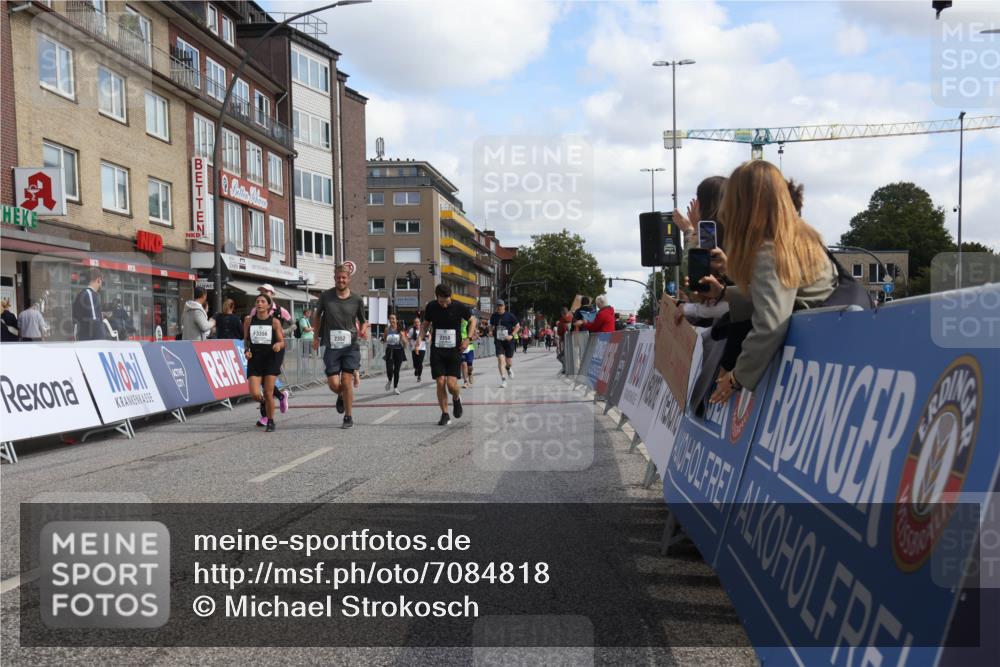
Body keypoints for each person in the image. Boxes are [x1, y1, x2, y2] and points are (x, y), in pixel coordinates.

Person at [695, 160, 837, 401]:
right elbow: (780, 296)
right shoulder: (797, 236)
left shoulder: (769, 251)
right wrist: (724, 293)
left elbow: (771, 322)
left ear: (743, 205)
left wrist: (735, 378)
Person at [312, 264, 368, 428]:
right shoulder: (326, 296)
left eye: (344, 277)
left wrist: (363, 330)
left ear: (348, 279)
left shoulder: (357, 299)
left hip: (350, 345)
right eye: (338, 277)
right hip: (332, 345)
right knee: (334, 384)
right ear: (334, 278)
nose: (341, 280)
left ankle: (348, 417)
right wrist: (316, 336)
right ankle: (342, 395)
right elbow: (317, 317)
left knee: (346, 380)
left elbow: (363, 321)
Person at [419, 283, 476, 426]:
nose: (444, 305)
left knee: (451, 385)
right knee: (440, 382)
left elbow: (473, 320)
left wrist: (467, 339)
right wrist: (420, 338)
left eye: (447, 301)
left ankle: (456, 398)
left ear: (450, 297)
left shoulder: (458, 306)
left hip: (454, 350)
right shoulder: (431, 307)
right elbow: (425, 324)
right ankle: (445, 414)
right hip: (438, 350)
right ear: (436, 297)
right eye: (441, 302)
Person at [243, 294, 285, 432]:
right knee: (255, 393)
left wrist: (278, 345)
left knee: (268, 392)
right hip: (255, 359)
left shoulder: (274, 322)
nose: (259, 303)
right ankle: (263, 403)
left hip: (270, 358)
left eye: (262, 301)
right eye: (257, 301)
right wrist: (246, 350)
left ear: (268, 305)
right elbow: (246, 340)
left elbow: (281, 341)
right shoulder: (248, 321)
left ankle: (271, 421)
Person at [488, 299, 520, 388]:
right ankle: (503, 380)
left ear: (504, 306)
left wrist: (512, 335)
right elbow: (491, 325)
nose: (499, 307)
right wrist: (490, 331)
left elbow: (518, 326)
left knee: (509, 362)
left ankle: (508, 368)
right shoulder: (494, 316)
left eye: (501, 305)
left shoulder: (510, 315)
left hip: (508, 340)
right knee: (500, 359)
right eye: (498, 306)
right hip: (498, 340)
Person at [72, 269, 107, 341]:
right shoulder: (89, 294)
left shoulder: (84, 293)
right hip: (91, 341)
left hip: (85, 338)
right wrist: (102, 340)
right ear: (98, 280)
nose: (101, 285)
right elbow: (94, 320)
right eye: (101, 282)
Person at [382, 313, 407, 394]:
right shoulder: (387, 329)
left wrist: (403, 338)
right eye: (390, 318)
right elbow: (385, 339)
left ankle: (395, 387)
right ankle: (389, 380)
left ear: (396, 320)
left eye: (393, 318)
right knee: (389, 369)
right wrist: (383, 340)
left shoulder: (400, 330)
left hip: (398, 351)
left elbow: (405, 342)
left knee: (396, 370)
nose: (391, 320)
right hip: (389, 350)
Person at [408, 317, 427, 382]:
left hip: (422, 348)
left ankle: (419, 376)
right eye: (415, 322)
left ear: (420, 323)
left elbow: (429, 335)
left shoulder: (423, 330)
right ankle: (416, 369)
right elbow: (409, 338)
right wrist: (410, 343)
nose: (417, 323)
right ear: (414, 323)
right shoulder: (411, 330)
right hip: (414, 348)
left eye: (418, 322)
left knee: (420, 362)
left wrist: (428, 340)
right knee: (415, 363)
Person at [460, 318, 476, 388]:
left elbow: (475, 336)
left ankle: (470, 373)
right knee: (463, 364)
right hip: (460, 347)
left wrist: (468, 339)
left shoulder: (469, 323)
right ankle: (465, 382)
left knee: (470, 367)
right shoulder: (455, 323)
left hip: (469, 347)